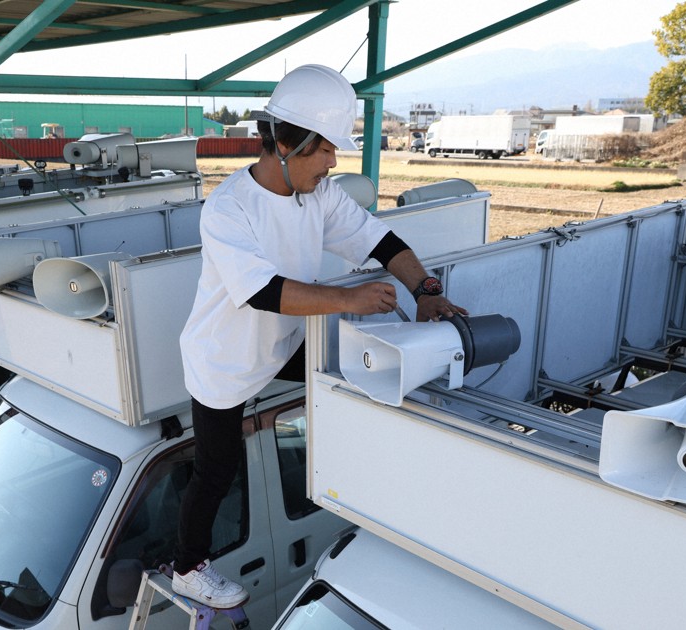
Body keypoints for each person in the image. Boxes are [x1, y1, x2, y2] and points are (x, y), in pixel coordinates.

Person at [173, 64, 467, 608]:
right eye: (327, 149)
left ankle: (367, 486)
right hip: (225, 358)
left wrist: (426, 287)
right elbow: (262, 291)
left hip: (283, 341)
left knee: (358, 366)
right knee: (217, 470)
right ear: (289, 143)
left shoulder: (319, 195)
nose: (335, 162)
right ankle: (187, 567)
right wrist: (349, 298)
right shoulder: (228, 207)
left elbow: (380, 240)